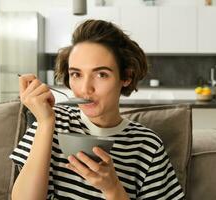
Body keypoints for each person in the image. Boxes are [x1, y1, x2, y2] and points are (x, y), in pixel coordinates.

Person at [10, 19, 184, 200]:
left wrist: (113, 188)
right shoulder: (51, 121)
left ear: (126, 76)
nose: (86, 88)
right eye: (76, 74)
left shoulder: (147, 145)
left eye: (101, 74)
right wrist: (46, 123)